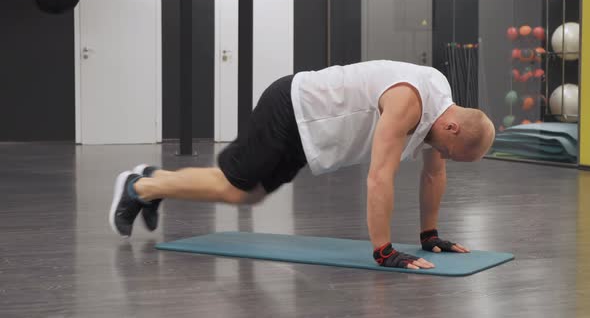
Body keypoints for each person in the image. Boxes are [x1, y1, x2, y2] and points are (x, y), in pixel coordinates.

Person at [109, 60, 495, 270]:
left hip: (308, 129)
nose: (443, 155)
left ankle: (150, 183)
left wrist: (430, 235)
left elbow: (433, 173)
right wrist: (383, 251)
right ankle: (137, 188)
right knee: (233, 185)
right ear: (452, 126)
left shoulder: (440, 108)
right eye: (450, 149)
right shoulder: (409, 102)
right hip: (291, 108)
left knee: (245, 197)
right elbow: (379, 177)